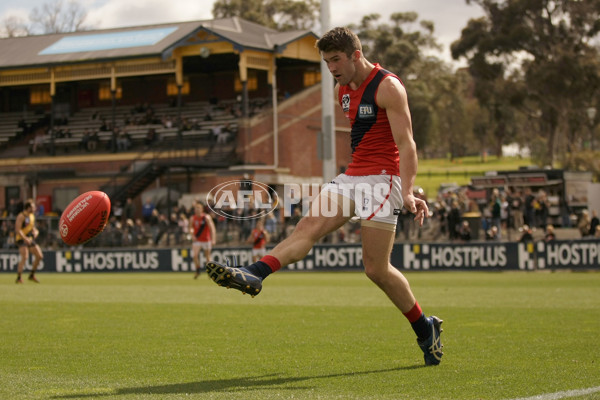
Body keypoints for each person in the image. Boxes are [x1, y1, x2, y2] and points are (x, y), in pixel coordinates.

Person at [205, 27, 443, 366]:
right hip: (353, 175)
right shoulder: (341, 90)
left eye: (336, 60)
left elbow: (407, 144)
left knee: (375, 269)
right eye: (326, 61)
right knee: (308, 226)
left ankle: (424, 327)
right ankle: (255, 272)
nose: (331, 68)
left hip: (384, 179)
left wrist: (406, 190)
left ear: (355, 56)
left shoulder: (388, 87)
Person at [14, 201, 43, 283]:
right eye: (33, 207)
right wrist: (25, 238)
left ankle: (32, 275)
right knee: (25, 256)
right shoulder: (21, 216)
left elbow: (32, 227)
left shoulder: (32, 216)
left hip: (29, 238)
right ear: (28, 208)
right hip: (21, 238)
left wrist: (36, 231)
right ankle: (19, 277)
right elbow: (17, 229)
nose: (35, 209)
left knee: (39, 256)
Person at [190, 202, 216, 279]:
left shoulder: (206, 217)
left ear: (202, 209)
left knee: (208, 256)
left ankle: (210, 272)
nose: (197, 210)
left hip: (206, 240)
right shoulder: (192, 218)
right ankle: (198, 270)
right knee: (195, 255)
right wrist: (192, 234)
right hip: (197, 240)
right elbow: (190, 227)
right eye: (196, 209)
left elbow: (212, 229)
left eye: (198, 208)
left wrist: (213, 239)